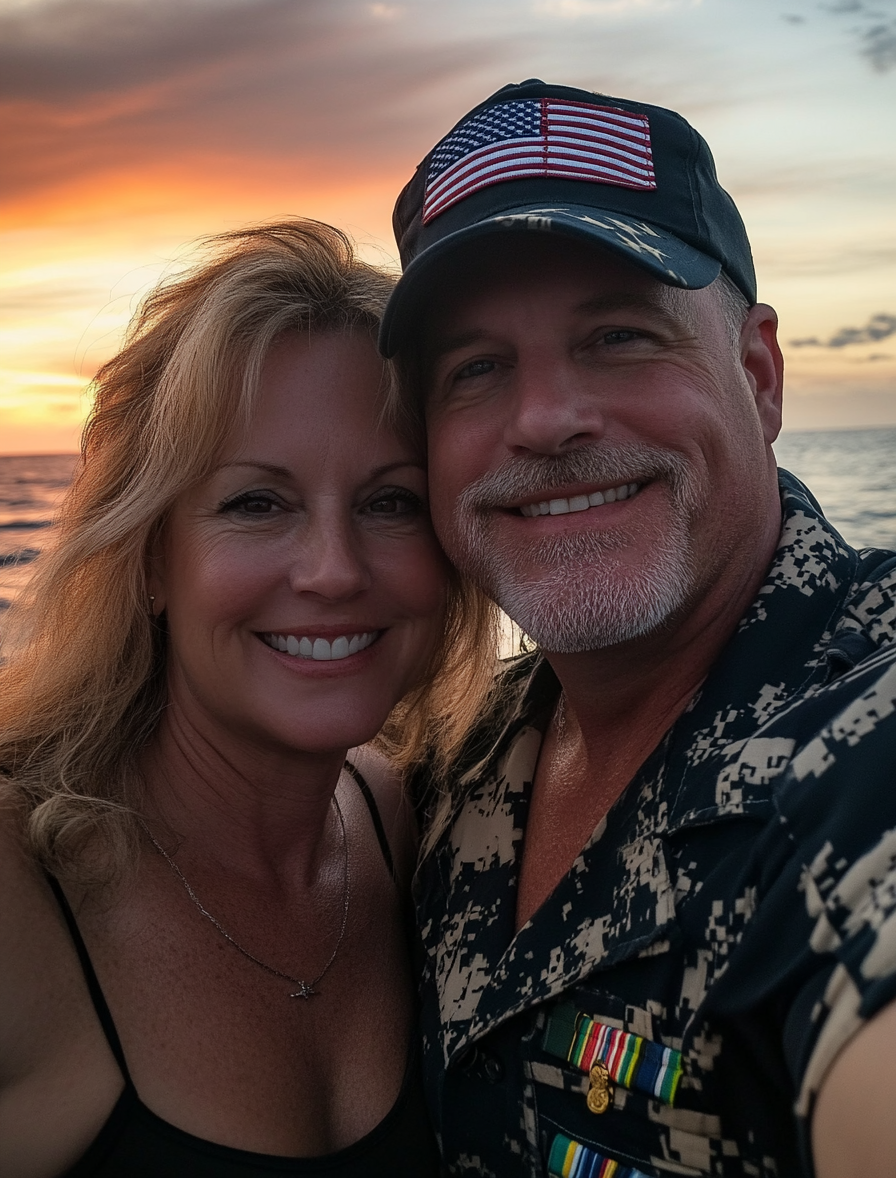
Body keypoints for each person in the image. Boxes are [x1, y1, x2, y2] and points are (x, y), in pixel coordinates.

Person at [378, 79, 896, 1177]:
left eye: (618, 335)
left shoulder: (862, 743)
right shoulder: (457, 762)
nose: (543, 418)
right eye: (474, 368)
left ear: (755, 376)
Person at [0, 220, 497, 1177]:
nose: (334, 570)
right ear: (150, 557)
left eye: (391, 501)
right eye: (256, 504)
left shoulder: (409, 825)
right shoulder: (22, 889)